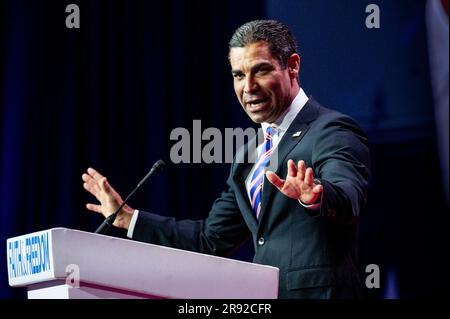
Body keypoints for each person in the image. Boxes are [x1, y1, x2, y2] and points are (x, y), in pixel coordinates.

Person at [82, 20, 370, 299]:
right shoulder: (249, 155)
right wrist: (129, 218)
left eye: (261, 70)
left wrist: (316, 196)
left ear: (292, 66)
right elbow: (209, 240)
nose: (249, 87)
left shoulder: (330, 129)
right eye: (239, 75)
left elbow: (348, 195)